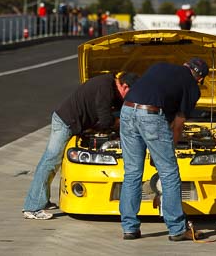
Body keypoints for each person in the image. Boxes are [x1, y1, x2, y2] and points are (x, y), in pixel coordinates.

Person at [22, 72, 139, 220]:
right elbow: (105, 120)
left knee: (52, 162)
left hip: (73, 121)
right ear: (124, 85)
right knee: (51, 161)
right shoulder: (106, 88)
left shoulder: (109, 85)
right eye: (129, 94)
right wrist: (119, 123)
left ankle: (42, 200)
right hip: (65, 122)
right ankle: (32, 207)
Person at [119, 58, 209, 241]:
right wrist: (170, 147)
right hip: (151, 115)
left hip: (127, 110)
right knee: (169, 173)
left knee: (132, 172)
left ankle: (129, 228)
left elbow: (155, 92)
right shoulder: (192, 86)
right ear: (199, 78)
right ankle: (177, 229)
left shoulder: (159, 66)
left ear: (185, 65)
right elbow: (178, 123)